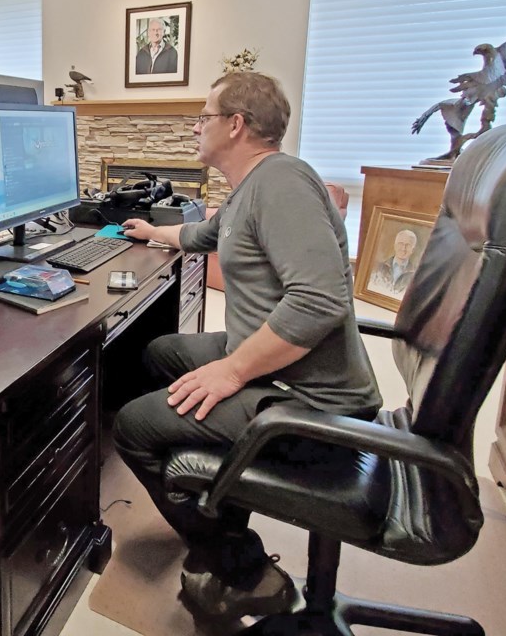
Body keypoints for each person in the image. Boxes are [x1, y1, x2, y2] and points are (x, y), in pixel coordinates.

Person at [114, 72, 382, 621]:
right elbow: (203, 237)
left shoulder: (282, 182)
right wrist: (150, 232)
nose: (195, 127)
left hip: (317, 408)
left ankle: (243, 567)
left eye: (203, 117)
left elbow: (319, 300)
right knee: (161, 351)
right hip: (285, 371)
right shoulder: (250, 187)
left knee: (133, 427)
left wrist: (233, 372)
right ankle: (224, 495)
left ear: (235, 125)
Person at [369, 229, 418, 295]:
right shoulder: (378, 268)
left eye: (408, 245)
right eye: (401, 243)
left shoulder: (416, 275)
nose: (403, 248)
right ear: (395, 246)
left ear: (413, 250)